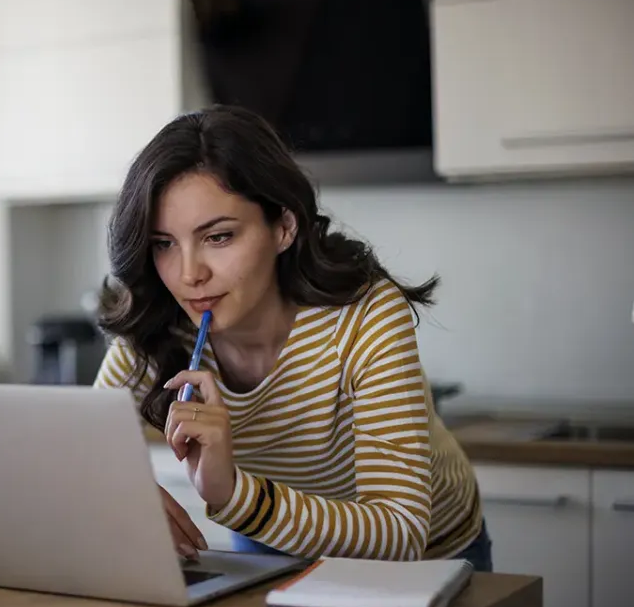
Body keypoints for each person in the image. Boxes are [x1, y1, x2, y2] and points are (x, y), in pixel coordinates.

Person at [92, 105, 491, 572]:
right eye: (163, 244)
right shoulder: (159, 322)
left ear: (283, 226)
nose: (188, 275)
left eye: (218, 237)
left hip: (428, 559)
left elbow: (400, 530)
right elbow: (81, 453)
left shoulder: (365, 314)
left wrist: (232, 495)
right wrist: (122, 491)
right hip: (272, 542)